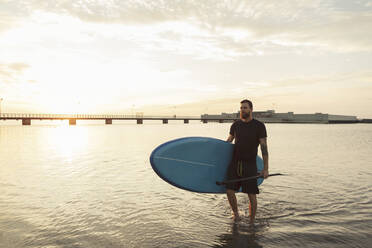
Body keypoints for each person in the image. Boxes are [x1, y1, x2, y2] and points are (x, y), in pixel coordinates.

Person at [226, 99, 269, 223]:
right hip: (235, 162)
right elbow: (229, 141)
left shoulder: (259, 126)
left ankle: (251, 221)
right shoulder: (235, 125)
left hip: (250, 164)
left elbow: (264, 148)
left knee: (251, 194)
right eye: (241, 108)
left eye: (245, 108)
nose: (242, 110)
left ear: (251, 109)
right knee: (229, 190)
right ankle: (236, 215)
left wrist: (265, 169)